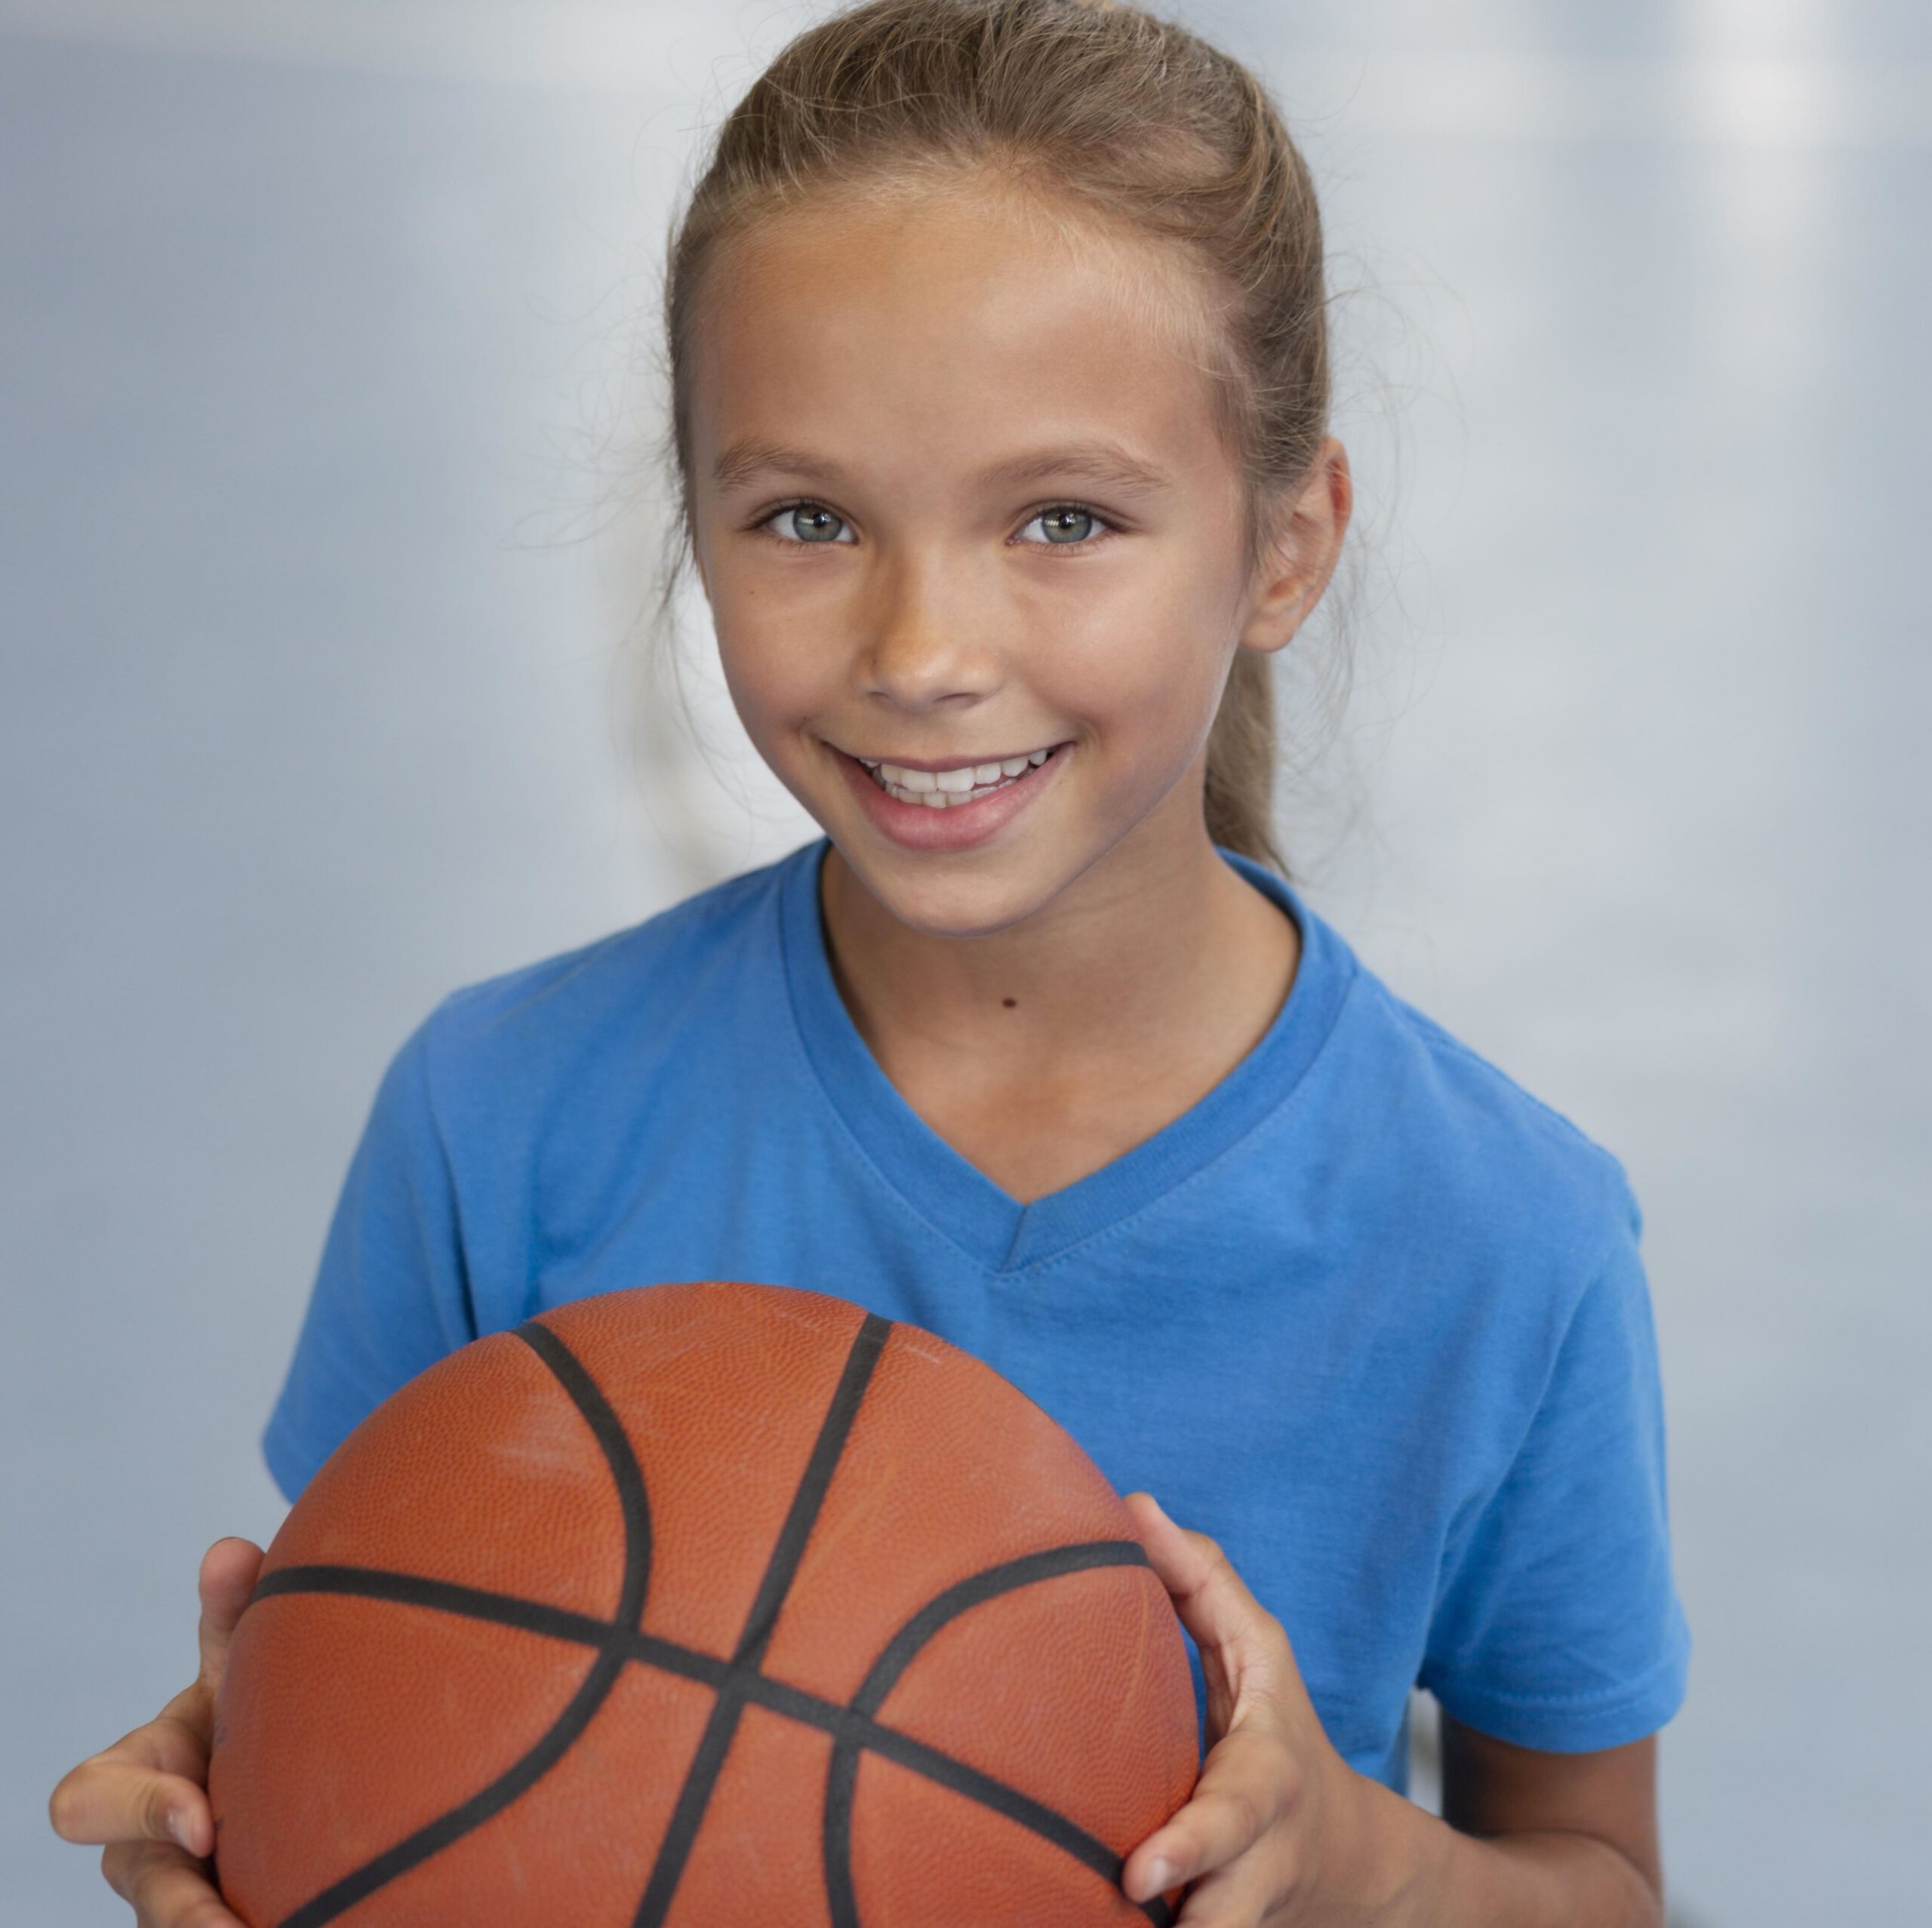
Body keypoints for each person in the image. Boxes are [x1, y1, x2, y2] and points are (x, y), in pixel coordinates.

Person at [49, 2, 1691, 1922]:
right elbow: (407, 1685)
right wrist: (247, 1805)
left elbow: (1591, 1882)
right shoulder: (502, 1118)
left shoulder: (1498, 1235)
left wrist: (1349, 1861)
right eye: (806, 516)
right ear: (695, 519)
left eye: (1061, 519)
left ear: (1281, 543)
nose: (920, 647)